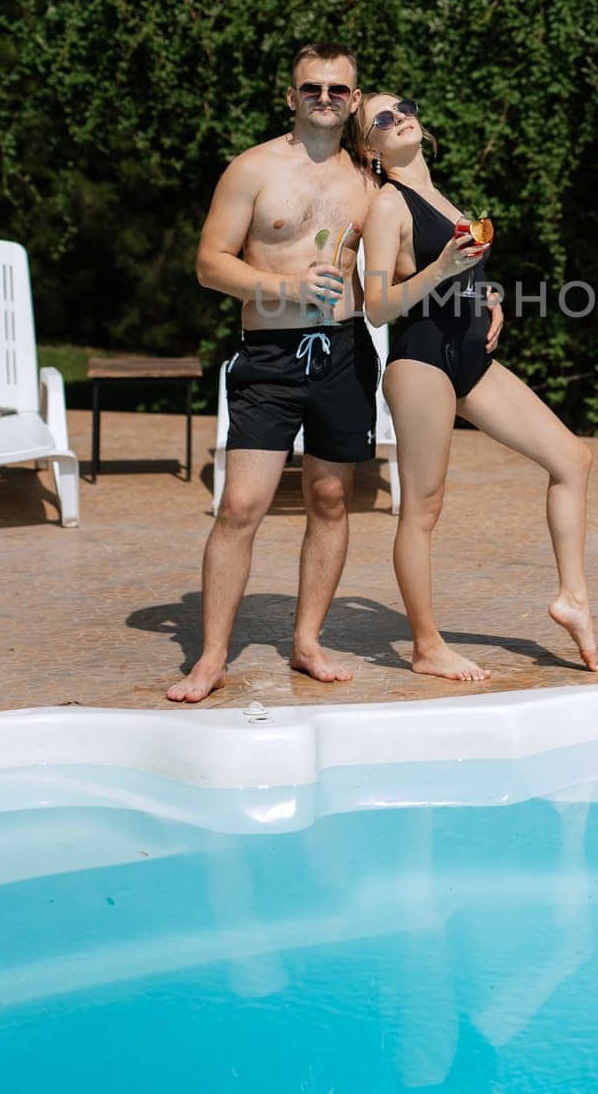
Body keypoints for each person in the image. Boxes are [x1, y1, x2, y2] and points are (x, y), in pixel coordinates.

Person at [349, 91, 598, 682]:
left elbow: (458, 272)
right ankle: (426, 645)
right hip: (422, 360)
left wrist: (487, 294)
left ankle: (574, 598)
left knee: (573, 458)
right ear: (371, 148)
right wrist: (443, 271)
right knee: (424, 509)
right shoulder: (388, 205)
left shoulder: (440, 194)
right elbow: (380, 307)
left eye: (404, 105)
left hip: (469, 357)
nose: (400, 115)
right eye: (382, 118)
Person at [167, 42, 380, 703]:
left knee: (331, 501)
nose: (324, 97)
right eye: (311, 87)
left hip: (344, 354)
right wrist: (283, 288)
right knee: (240, 506)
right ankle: (208, 659)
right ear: (292, 97)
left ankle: (307, 642)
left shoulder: (371, 181)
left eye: (337, 89)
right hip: (269, 358)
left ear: (353, 100)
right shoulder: (253, 169)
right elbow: (209, 264)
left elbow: (415, 248)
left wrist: (477, 292)